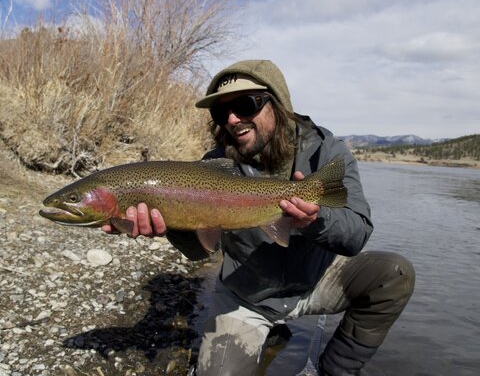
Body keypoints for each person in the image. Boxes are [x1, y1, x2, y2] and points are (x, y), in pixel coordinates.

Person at [102, 60, 415, 375]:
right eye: (221, 113)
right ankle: (266, 332)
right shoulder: (214, 167)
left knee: (394, 273)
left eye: (245, 104)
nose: (233, 119)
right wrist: (171, 223)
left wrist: (316, 220)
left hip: (316, 280)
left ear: (277, 104)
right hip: (247, 296)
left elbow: (357, 233)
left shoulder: (327, 152)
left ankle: (336, 370)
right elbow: (199, 251)